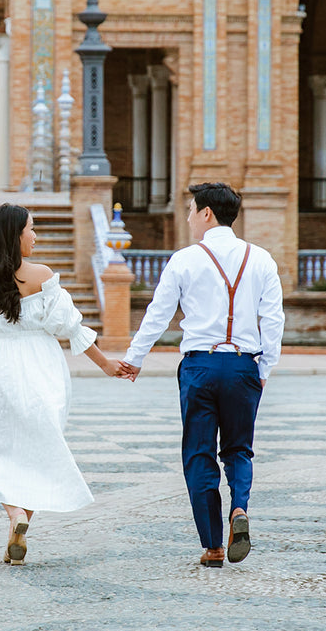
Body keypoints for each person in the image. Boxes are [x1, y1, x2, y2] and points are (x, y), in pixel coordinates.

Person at [117, 182, 285, 568]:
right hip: (243, 364)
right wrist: (264, 368)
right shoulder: (261, 259)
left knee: (199, 453)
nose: (189, 217)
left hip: (199, 366)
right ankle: (239, 507)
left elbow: (159, 313)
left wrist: (134, 358)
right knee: (239, 449)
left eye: (192, 210)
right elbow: (273, 319)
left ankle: (213, 546)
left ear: (207, 213)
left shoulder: (185, 260)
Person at [0, 203, 123, 566]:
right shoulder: (41, 275)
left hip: (2, 364)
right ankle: (20, 524)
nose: (35, 236)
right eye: (30, 229)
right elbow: (70, 327)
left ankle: (15, 516)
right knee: (39, 447)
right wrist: (106, 365)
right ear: (14, 235)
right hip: (43, 363)